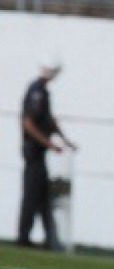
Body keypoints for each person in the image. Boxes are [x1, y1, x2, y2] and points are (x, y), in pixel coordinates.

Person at [18, 57, 77, 250]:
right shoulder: (37, 92)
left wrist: (64, 140)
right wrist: (50, 144)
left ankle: (49, 238)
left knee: (43, 196)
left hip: (40, 151)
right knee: (32, 194)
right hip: (33, 151)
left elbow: (49, 120)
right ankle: (23, 238)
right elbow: (29, 123)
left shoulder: (43, 92)